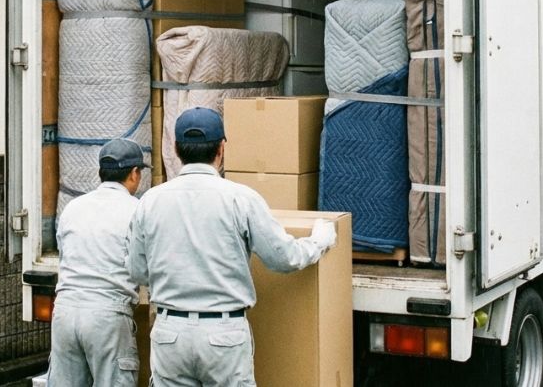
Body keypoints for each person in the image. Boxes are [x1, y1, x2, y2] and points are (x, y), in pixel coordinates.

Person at [126, 107, 338, 387]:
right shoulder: (241, 199)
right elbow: (283, 258)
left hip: (170, 333)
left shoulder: (150, 201)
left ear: (176, 148)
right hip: (223, 334)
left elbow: (137, 271)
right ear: (221, 149)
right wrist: (319, 241)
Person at [48, 138, 146, 387]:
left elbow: (65, 253)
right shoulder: (138, 210)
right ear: (134, 174)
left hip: (65, 312)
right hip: (107, 316)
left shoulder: (73, 207)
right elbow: (144, 268)